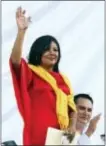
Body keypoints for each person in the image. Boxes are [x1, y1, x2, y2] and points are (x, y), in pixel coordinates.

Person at [9, 7, 76, 145]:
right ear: (38, 51)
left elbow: (72, 109)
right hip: (38, 136)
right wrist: (22, 32)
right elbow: (15, 61)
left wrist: (72, 128)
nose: (52, 52)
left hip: (62, 138)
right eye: (47, 48)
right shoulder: (31, 72)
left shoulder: (64, 80)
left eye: (55, 49)